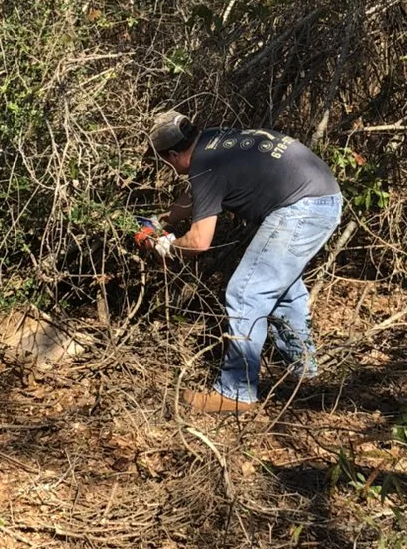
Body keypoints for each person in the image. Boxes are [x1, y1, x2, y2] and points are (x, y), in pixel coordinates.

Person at [140, 109, 342, 413]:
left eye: (166, 161)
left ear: (173, 154)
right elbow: (199, 196)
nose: (169, 167)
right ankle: (305, 372)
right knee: (283, 292)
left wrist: (164, 247)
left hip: (301, 208)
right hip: (323, 197)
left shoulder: (205, 165)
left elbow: (198, 242)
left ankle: (236, 393)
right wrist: (163, 220)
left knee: (246, 292)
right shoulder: (215, 141)